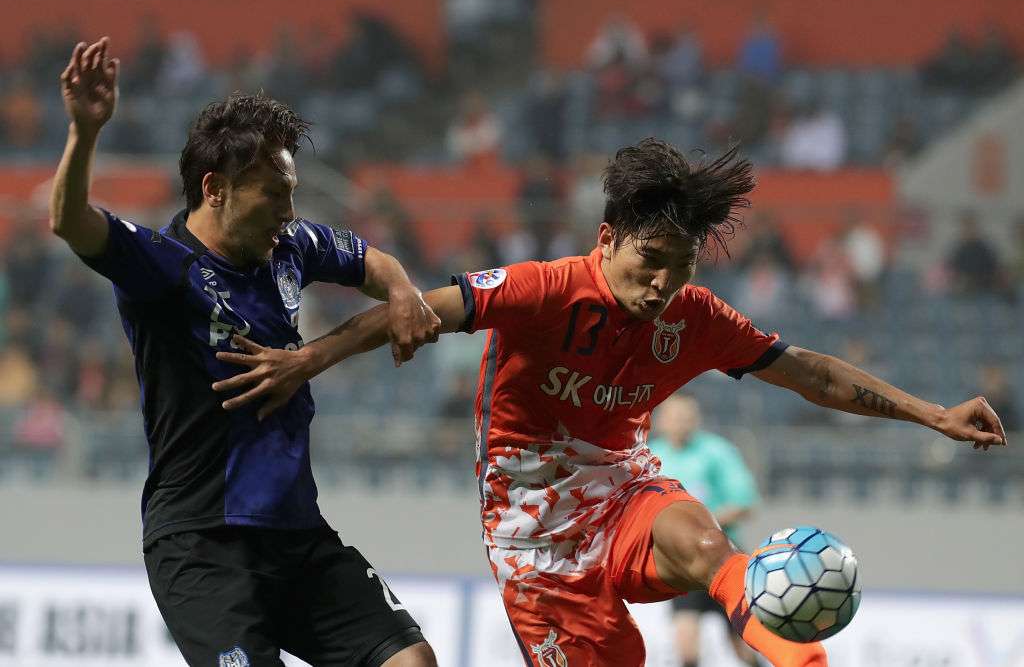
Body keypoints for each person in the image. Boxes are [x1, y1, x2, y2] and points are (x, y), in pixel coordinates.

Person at [215, 138, 1006, 667]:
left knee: (704, 538)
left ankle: (794, 650)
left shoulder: (693, 317)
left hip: (620, 484)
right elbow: (417, 307)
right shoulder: (544, 289)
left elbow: (810, 373)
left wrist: (931, 413)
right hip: (531, 533)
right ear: (608, 238)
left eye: (681, 265)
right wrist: (304, 360)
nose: (663, 284)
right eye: (651, 261)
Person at [49, 37, 441, 667]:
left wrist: (400, 289)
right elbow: (71, 222)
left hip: (296, 534)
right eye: (274, 195)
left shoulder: (290, 246)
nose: (290, 213)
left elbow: (373, 261)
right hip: (202, 543)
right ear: (216, 189)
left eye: (291, 193)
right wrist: (84, 132)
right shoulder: (162, 267)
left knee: (411, 661)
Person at [649, 395, 759, 667]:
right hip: (682, 563)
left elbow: (744, 503)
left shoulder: (717, 452)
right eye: (675, 416)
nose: (681, 422)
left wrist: (698, 527)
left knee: (743, 647)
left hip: (723, 557)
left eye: (687, 416)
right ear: (661, 421)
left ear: (696, 419)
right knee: (686, 648)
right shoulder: (651, 456)